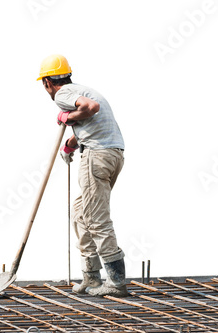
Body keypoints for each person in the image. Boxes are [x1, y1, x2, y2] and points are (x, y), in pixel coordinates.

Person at [37, 54, 128, 297]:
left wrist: (66, 117)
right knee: (80, 212)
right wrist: (71, 143)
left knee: (96, 219)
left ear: (47, 82)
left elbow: (90, 109)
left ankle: (117, 282)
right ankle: (91, 274)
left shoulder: (62, 94)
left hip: (97, 157)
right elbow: (94, 122)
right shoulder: (83, 89)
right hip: (112, 155)